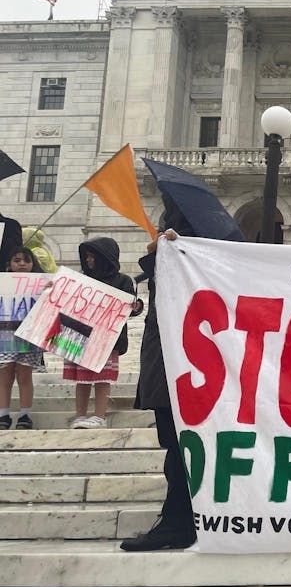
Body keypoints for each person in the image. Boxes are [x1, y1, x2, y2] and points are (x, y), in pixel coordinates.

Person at [121, 197, 197, 551]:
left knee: (177, 448)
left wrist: (160, 253)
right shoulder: (179, 256)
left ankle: (178, 522)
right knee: (178, 448)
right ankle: (181, 518)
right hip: (177, 366)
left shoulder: (182, 258)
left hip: (175, 367)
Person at [65, 238, 139, 429]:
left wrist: (136, 306)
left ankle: (99, 416)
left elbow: (130, 307)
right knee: (81, 379)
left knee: (102, 378)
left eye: (92, 257)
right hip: (82, 336)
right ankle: (80, 415)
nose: (88, 261)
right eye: (87, 257)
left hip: (107, 339)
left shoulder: (122, 280)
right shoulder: (82, 280)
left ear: (104, 258)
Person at [0, 248, 46, 430]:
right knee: (4, 376)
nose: (21, 264)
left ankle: (25, 414)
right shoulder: (2, 281)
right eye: (17, 260)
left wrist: (49, 290)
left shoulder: (41, 283)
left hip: (29, 335)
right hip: (4, 334)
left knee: (25, 375)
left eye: (26, 261)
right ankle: (3, 414)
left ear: (33, 264)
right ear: (9, 264)